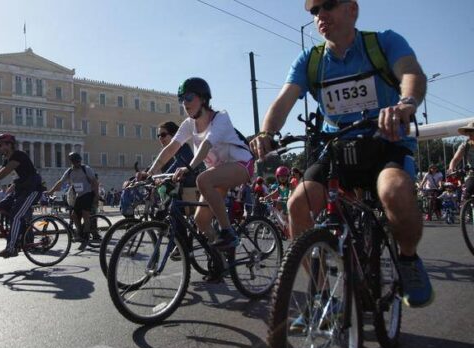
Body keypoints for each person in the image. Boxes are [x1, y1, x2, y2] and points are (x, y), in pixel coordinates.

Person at [250, 0, 432, 308]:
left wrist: (406, 104)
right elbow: (282, 102)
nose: (320, 15)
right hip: (337, 146)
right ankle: (323, 295)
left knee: (395, 191)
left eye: (328, 5)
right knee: (297, 206)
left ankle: (409, 259)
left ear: (352, 9)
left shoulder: (383, 42)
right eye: (314, 11)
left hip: (384, 141)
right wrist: (267, 132)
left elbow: (412, 74)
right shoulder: (310, 60)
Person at [145, 77, 254, 250]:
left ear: (203, 98)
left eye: (188, 97)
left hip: (241, 164)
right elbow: (172, 147)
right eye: (181, 99)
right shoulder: (189, 124)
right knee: (200, 221)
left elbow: (207, 144)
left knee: (203, 180)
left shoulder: (221, 118)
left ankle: (228, 232)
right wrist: (149, 172)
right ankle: (220, 260)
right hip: (218, 172)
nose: (184, 103)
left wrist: (189, 167)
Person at [0, 133, 43, 257]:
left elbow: (5, 172)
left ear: (9, 145)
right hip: (21, 189)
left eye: (0, 145)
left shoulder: (18, 155)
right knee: (2, 206)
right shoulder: (7, 158)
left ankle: (11, 248)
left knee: (16, 216)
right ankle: (19, 235)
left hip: (32, 189)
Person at [46, 152, 99, 250]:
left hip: (88, 193)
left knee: (85, 214)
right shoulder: (69, 171)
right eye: (75, 162)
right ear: (72, 162)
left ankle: (86, 237)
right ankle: (80, 233)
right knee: (74, 215)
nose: (77, 163)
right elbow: (60, 182)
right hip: (79, 195)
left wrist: (96, 196)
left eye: (78, 161)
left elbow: (95, 182)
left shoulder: (86, 169)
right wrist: (51, 191)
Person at [448, 121, 474, 200]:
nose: (470, 137)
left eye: (472, 134)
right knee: (467, 193)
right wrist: (451, 169)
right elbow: (455, 159)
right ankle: (466, 209)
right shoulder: (465, 145)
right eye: (469, 135)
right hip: (472, 173)